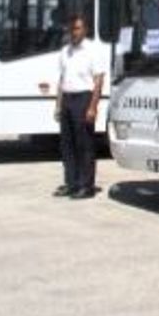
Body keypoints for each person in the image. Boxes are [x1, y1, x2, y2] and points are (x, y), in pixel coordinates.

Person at [54, 15, 106, 199]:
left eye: (77, 29)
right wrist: (58, 105)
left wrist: (93, 107)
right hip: (68, 98)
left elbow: (99, 80)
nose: (73, 32)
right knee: (67, 145)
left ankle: (86, 185)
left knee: (84, 145)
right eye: (71, 29)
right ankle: (71, 183)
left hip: (84, 98)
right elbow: (61, 80)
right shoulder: (64, 52)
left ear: (85, 30)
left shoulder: (93, 50)